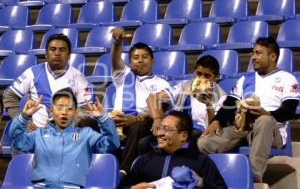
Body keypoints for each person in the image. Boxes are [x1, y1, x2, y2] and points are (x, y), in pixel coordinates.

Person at [197, 37, 300, 182]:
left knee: (264, 120)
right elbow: (230, 104)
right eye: (253, 53)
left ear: (272, 56)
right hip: (242, 128)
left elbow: (289, 111)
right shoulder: (246, 79)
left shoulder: (287, 78)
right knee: (204, 143)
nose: (253, 58)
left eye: (258, 53)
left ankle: (254, 176)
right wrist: (216, 122)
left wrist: (267, 113)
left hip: (271, 130)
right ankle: (210, 178)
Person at [9, 88, 120, 188]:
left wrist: (103, 119)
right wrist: (24, 117)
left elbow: (111, 143)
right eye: (60, 107)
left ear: (76, 112)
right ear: (51, 111)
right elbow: (17, 141)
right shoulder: (39, 135)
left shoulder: (86, 135)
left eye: (69, 109)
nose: (64, 112)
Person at [110, 29, 170, 173]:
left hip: (144, 122)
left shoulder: (162, 84)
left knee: (137, 127)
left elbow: (160, 111)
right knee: (91, 124)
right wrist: (117, 44)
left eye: (145, 57)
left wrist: (136, 118)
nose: (140, 60)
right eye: (136, 57)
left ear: (152, 60)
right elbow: (115, 60)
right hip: (117, 120)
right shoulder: (122, 76)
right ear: (130, 62)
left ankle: (124, 172)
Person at [3, 34, 93, 130]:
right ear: (46, 54)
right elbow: (9, 96)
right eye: (53, 49)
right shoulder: (32, 73)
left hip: (66, 136)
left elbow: (85, 109)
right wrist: (21, 121)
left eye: (62, 50)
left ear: (69, 55)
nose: (57, 53)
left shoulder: (79, 78)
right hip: (37, 135)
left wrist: (68, 125)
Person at [119, 110, 227, 189]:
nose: (159, 133)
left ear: (183, 136)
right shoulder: (144, 160)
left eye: (166, 129)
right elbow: (124, 187)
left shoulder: (201, 161)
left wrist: (201, 183)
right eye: (160, 128)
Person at [143, 55, 226, 154]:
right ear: (193, 72)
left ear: (215, 78)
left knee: (192, 136)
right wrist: (157, 119)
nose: (202, 79)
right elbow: (152, 98)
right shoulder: (183, 86)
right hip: (175, 129)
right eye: (198, 74)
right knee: (143, 143)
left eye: (207, 76)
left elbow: (212, 128)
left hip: (198, 133)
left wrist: (208, 104)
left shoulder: (222, 96)